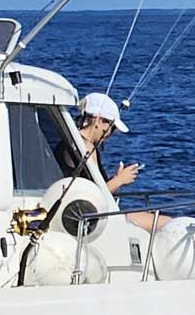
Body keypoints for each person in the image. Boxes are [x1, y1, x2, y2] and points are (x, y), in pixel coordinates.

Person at [55, 92, 166, 233]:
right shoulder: (85, 147)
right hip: (89, 219)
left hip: (84, 214)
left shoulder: (71, 141)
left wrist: (115, 179)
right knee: (166, 222)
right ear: (98, 121)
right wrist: (120, 180)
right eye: (111, 128)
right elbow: (96, 195)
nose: (109, 134)